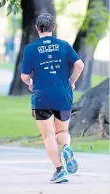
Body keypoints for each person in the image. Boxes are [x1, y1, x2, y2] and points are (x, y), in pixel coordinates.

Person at [20, 13, 84, 183]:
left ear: (37, 28)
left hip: (42, 97)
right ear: (53, 28)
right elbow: (79, 65)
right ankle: (67, 147)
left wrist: (31, 84)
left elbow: (24, 76)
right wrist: (71, 81)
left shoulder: (30, 49)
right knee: (62, 131)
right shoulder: (63, 45)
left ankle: (60, 170)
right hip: (63, 95)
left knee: (48, 136)